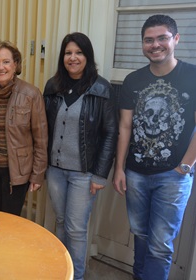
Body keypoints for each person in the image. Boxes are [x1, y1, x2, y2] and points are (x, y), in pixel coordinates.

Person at [113, 15, 196, 280]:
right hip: (136, 174)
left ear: (176, 40)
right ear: (143, 45)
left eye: (162, 38)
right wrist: (119, 168)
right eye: (149, 40)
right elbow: (125, 126)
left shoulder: (192, 76)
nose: (155, 44)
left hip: (174, 175)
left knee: (160, 247)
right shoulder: (133, 80)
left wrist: (186, 166)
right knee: (140, 236)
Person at [43, 32, 118, 279]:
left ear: (87, 56)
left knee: (76, 228)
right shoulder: (53, 86)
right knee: (61, 221)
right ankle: (60, 271)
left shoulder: (101, 88)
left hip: (84, 173)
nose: (72, 58)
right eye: (68, 53)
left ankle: (77, 276)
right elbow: (43, 128)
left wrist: (100, 174)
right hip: (55, 169)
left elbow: (110, 133)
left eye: (78, 53)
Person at [0, 40, 48, 216]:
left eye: (6, 62)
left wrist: (37, 175)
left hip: (18, 172)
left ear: (15, 64)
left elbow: (41, 139)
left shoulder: (31, 94)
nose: (1, 67)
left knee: (11, 222)